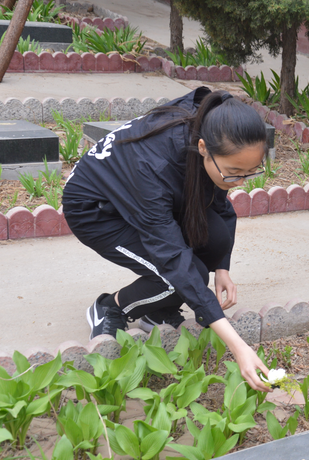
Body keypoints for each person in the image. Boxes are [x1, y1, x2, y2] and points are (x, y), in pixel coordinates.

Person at [62, 87, 270, 390]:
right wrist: (238, 347)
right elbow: (172, 256)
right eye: (233, 173)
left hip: (141, 196)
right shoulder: (154, 166)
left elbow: (221, 207)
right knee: (185, 276)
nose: (238, 182)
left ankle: (157, 308)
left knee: (217, 241)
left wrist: (222, 268)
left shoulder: (216, 125)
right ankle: (112, 306)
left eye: (249, 173)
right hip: (99, 211)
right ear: (202, 148)